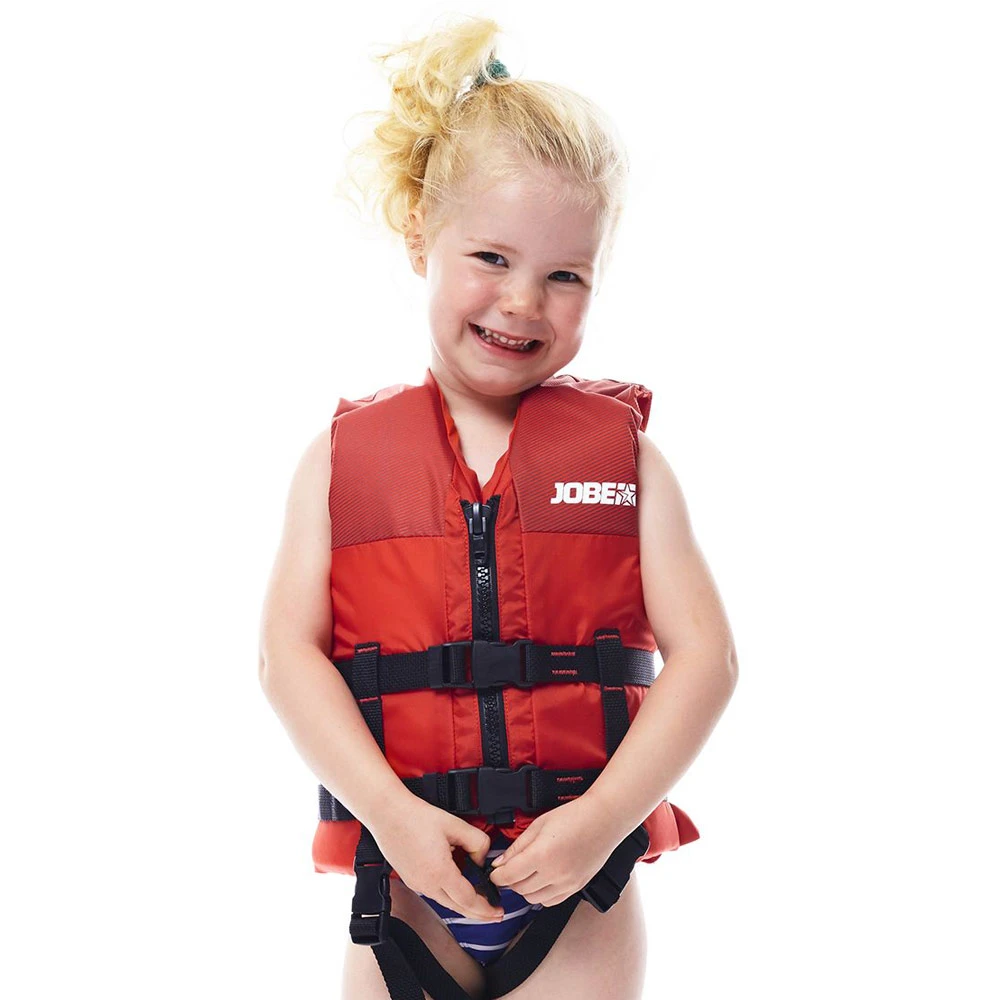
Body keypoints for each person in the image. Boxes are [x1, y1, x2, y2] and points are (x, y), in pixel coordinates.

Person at [259, 14, 738, 1000]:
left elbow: (708, 659)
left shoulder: (628, 463)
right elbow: (285, 657)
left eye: (565, 275)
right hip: (404, 887)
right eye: (491, 258)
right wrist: (390, 815)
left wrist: (601, 820)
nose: (523, 301)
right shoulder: (342, 461)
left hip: (578, 895)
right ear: (419, 236)